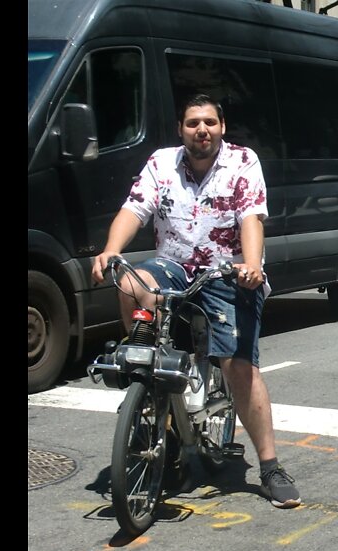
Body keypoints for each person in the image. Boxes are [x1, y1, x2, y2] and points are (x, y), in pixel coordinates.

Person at [90, 94, 301, 509]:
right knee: (131, 284)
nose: (201, 129)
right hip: (174, 266)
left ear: (222, 126)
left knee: (239, 367)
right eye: (192, 123)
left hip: (227, 271)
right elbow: (134, 208)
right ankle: (149, 385)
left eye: (208, 122)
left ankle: (271, 466)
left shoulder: (242, 162)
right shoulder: (161, 163)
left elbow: (250, 218)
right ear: (180, 129)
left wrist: (252, 265)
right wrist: (111, 250)